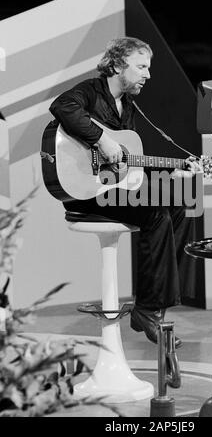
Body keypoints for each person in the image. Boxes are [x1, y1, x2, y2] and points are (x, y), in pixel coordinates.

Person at [49, 37, 201, 348]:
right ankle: (144, 310)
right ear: (118, 65)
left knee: (184, 201)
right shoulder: (92, 91)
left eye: (148, 67)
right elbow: (61, 105)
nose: (148, 75)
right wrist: (100, 140)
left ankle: (155, 304)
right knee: (155, 213)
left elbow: (127, 165)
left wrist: (172, 170)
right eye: (141, 66)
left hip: (111, 188)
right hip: (86, 192)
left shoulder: (129, 106)